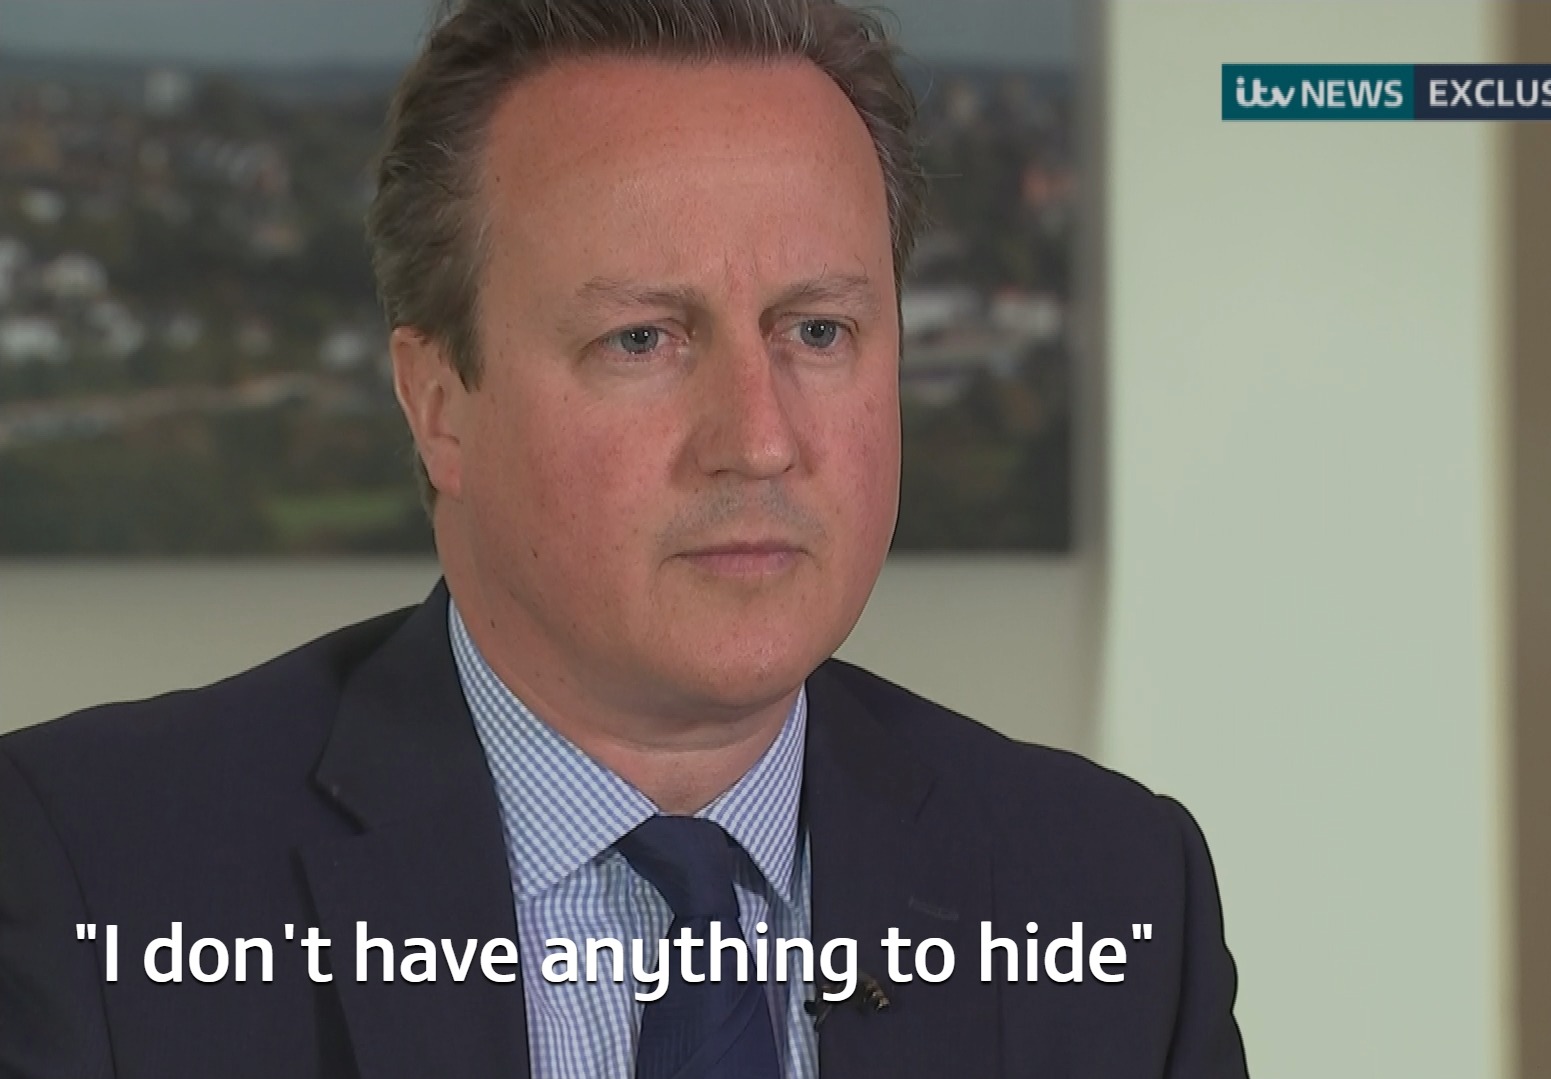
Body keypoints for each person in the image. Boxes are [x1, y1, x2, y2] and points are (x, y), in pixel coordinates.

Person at [0, 1, 1247, 1076]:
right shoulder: (88, 876)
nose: (759, 439)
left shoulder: (1115, 895)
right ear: (438, 404)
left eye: (817, 330)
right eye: (642, 338)